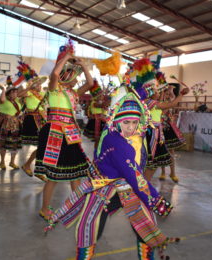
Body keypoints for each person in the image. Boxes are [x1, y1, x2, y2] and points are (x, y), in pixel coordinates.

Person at [45, 86, 176, 260]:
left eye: (134, 122)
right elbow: (135, 177)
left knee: (145, 226)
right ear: (116, 121)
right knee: (90, 226)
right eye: (126, 122)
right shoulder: (117, 142)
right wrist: (158, 202)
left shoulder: (127, 134)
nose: (131, 127)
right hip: (108, 187)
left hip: (125, 186)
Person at [34, 41, 94, 220]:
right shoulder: (54, 91)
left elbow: (90, 83)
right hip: (54, 133)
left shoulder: (73, 94)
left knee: (75, 173)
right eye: (74, 76)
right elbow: (54, 73)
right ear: (65, 77)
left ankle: (78, 205)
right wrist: (66, 57)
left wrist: (83, 65)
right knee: (53, 175)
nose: (77, 79)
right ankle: (44, 209)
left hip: (70, 134)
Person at [19, 66, 48, 179]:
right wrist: (29, 87)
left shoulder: (41, 95)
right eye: (38, 84)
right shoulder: (30, 93)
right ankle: (34, 167)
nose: (40, 85)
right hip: (32, 120)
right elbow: (19, 95)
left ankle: (34, 167)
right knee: (42, 145)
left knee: (43, 145)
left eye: (40, 84)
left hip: (41, 120)